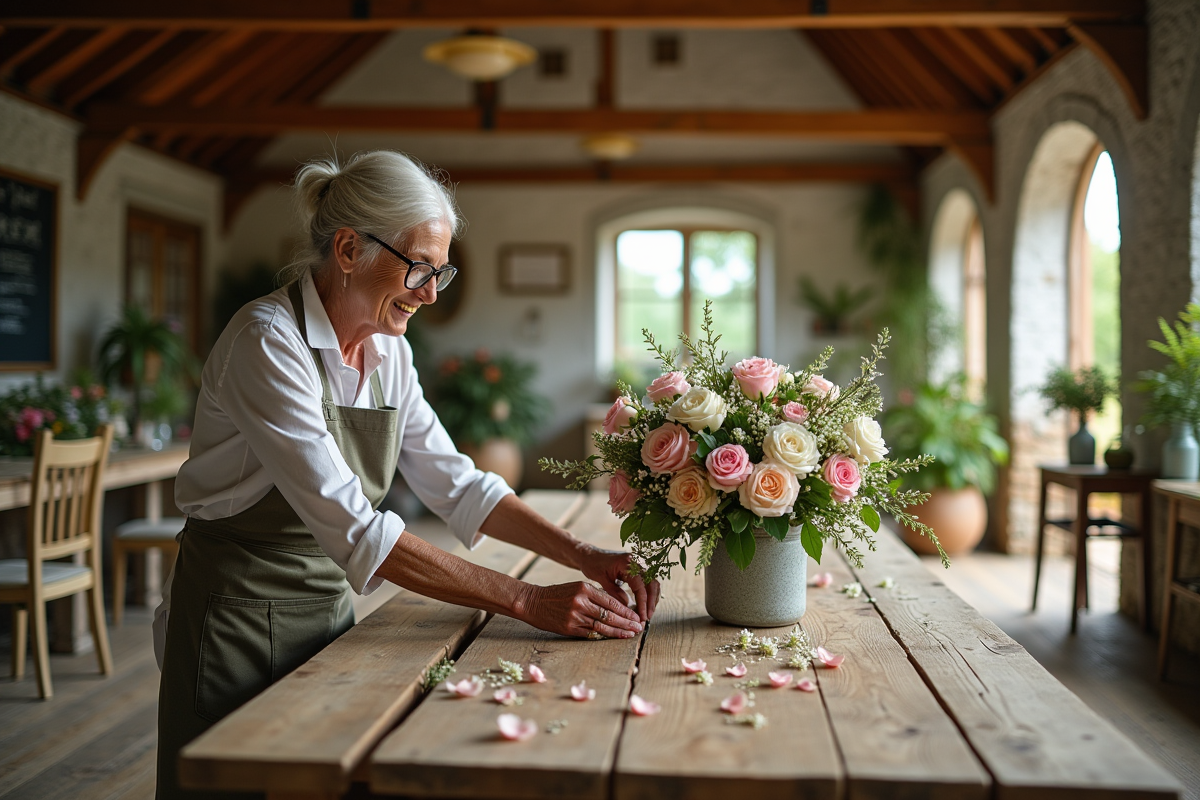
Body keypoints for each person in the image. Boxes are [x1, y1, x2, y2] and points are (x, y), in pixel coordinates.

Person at [154, 151, 661, 799]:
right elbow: (358, 530)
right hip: (234, 619)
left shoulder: (388, 351)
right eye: (419, 267)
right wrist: (529, 600)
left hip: (327, 611)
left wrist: (584, 554)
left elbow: (458, 485)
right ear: (348, 250)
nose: (430, 293)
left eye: (440, 271)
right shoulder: (267, 341)